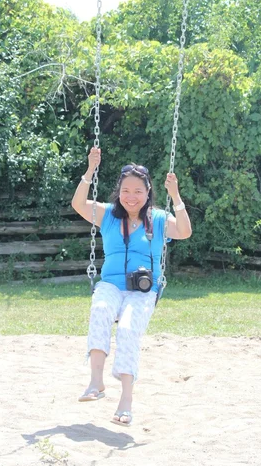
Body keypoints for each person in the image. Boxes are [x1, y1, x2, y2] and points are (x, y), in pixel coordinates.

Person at [71, 146, 192, 426]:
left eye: (138, 191)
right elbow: (79, 204)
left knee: (127, 329)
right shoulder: (109, 216)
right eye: (126, 190)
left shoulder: (159, 219)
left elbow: (185, 232)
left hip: (143, 290)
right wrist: (90, 170)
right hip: (111, 285)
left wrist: (176, 196)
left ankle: (126, 400)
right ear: (119, 191)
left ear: (148, 192)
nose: (131, 197)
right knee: (100, 309)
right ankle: (96, 382)